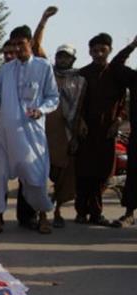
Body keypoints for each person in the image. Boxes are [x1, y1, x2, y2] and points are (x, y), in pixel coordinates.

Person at [0, 25, 59, 236]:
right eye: (13, 44)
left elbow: (53, 98)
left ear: (30, 43)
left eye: (20, 44)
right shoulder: (5, 70)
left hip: (30, 134)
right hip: (4, 134)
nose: (16, 49)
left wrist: (41, 110)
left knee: (35, 178)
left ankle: (43, 216)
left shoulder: (43, 67)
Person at [32, 7, 87, 228]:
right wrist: (44, 20)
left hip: (66, 131)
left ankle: (57, 211)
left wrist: (79, 126)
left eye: (66, 56)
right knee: (40, 171)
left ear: (73, 59)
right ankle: (41, 212)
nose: (62, 59)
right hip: (46, 128)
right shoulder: (48, 71)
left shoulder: (80, 80)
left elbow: (81, 105)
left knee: (64, 173)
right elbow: (35, 45)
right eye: (59, 55)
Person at [75, 33, 134, 226]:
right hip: (86, 131)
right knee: (83, 172)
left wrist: (118, 119)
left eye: (103, 49)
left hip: (107, 131)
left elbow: (124, 103)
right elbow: (76, 101)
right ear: (89, 51)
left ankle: (96, 213)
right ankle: (81, 212)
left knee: (102, 173)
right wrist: (80, 121)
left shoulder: (116, 74)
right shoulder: (82, 74)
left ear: (109, 50)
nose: (99, 54)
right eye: (95, 50)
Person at [108, 36, 137, 228]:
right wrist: (132, 45)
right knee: (134, 175)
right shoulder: (135, 78)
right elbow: (115, 65)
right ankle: (129, 213)